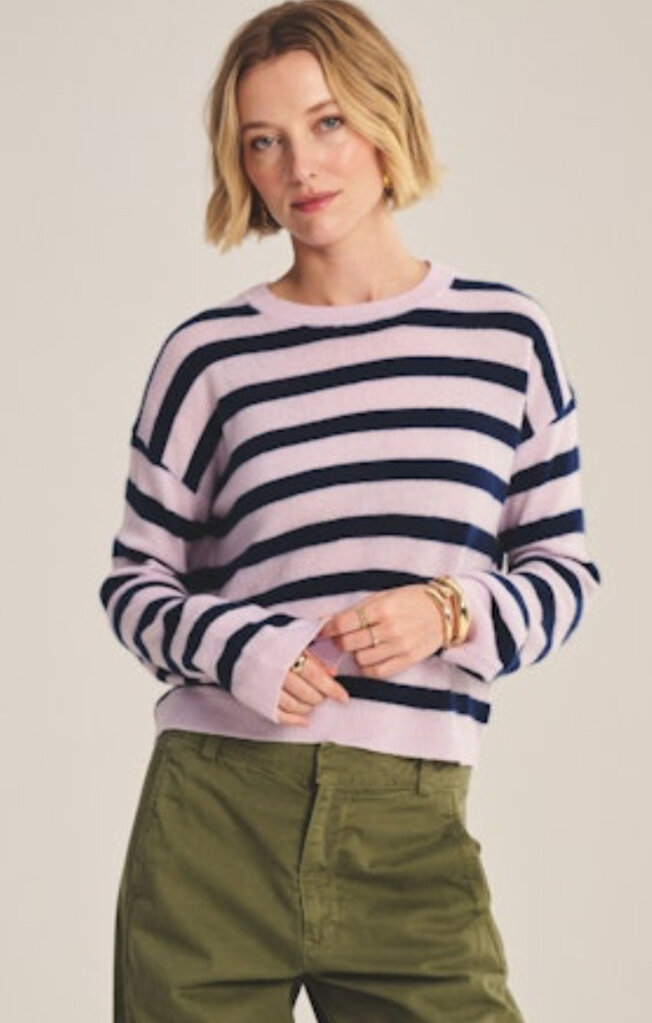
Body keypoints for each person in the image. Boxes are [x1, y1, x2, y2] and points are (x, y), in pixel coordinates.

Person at [99, 2, 602, 1020]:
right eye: (264, 141)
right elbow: (135, 584)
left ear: (385, 118)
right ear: (241, 164)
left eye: (326, 122)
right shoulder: (209, 356)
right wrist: (246, 650)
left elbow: (564, 571)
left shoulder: (505, 338)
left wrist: (450, 610)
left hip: (410, 823)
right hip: (214, 813)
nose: (301, 167)